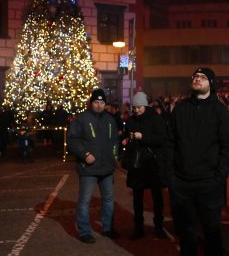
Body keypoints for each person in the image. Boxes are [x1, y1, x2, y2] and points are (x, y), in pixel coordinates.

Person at [167, 67, 229, 256]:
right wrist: (171, 177)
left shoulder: (220, 112)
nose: (197, 79)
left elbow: (228, 146)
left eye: (203, 77)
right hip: (181, 184)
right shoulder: (180, 109)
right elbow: (170, 143)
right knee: (186, 233)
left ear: (211, 83)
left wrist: (219, 178)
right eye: (195, 76)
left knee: (212, 232)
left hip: (209, 183)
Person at [67, 89, 120, 244]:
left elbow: (115, 140)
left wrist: (115, 156)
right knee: (85, 201)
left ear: (105, 104)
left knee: (108, 199)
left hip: (107, 168)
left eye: (102, 102)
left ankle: (107, 228)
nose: (99, 105)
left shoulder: (110, 120)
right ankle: (84, 231)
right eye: (96, 102)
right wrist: (85, 154)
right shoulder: (81, 119)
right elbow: (72, 140)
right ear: (91, 103)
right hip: (88, 168)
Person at [123, 91, 168, 239]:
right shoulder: (131, 121)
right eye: (134, 107)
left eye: (139, 107)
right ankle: (138, 228)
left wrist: (142, 137)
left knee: (157, 197)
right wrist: (127, 140)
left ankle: (159, 226)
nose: (136, 110)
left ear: (145, 106)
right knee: (137, 198)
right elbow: (127, 138)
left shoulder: (156, 119)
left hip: (153, 163)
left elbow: (161, 140)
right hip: (137, 163)